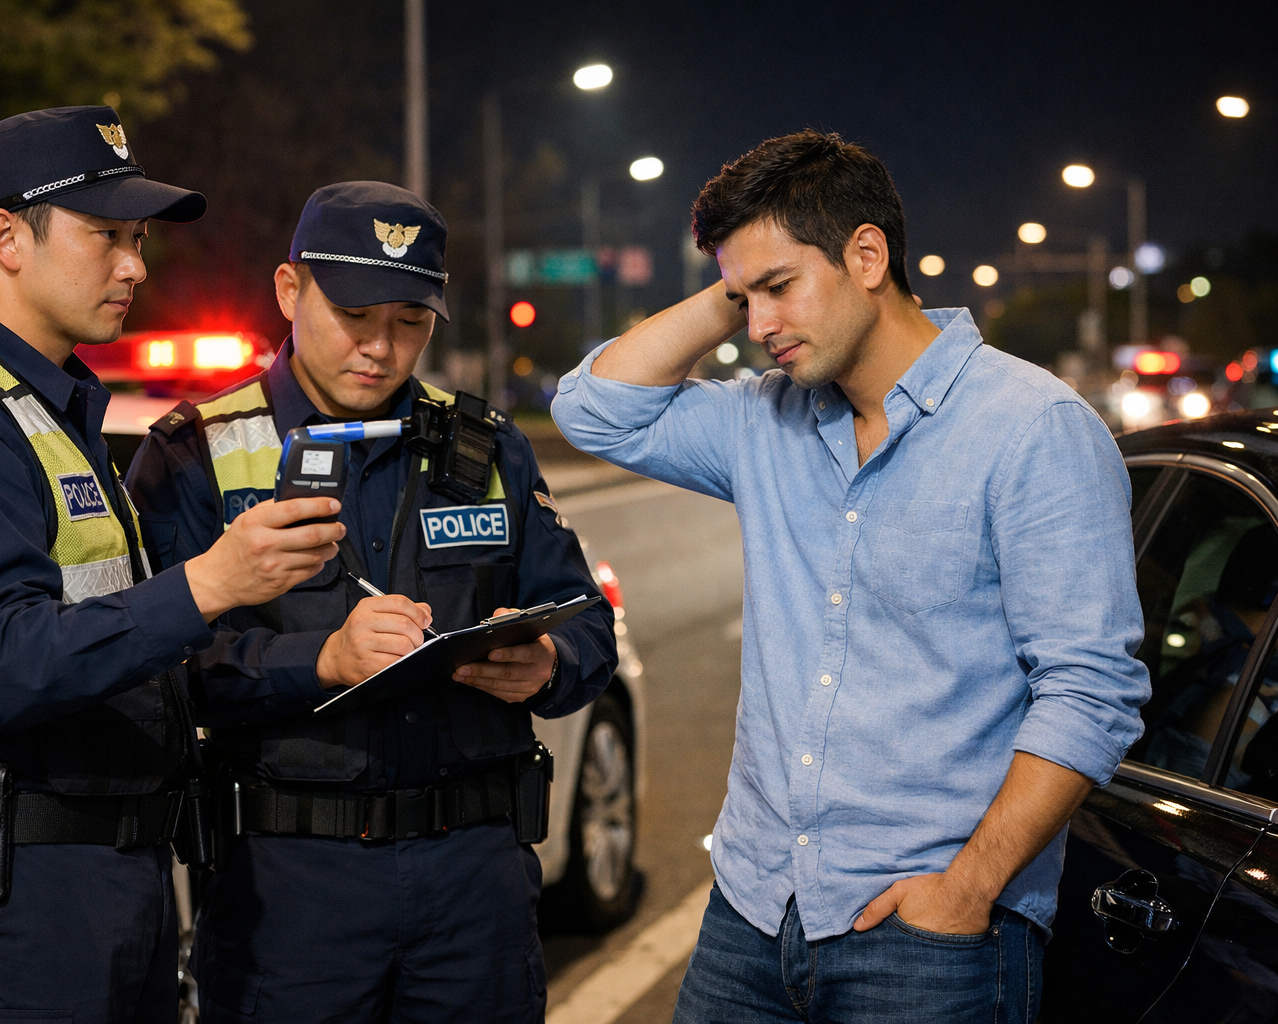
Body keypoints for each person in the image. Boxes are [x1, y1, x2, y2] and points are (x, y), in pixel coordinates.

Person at [551, 130, 1151, 1023]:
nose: (756, 328)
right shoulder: (765, 421)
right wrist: (743, 284)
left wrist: (965, 890)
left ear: (867, 255)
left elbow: (1092, 689)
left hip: (931, 937)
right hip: (753, 907)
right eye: (740, 297)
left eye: (779, 288)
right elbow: (591, 409)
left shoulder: (1034, 429)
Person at [0, 106, 345, 1023]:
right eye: (105, 234)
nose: (135, 264)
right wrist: (211, 584)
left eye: (138, 237)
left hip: (97, 888)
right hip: (8, 915)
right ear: (5, 237)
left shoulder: (49, 410)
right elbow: (2, 666)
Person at [126, 180, 619, 1023]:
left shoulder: (488, 446)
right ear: (290, 292)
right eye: (356, 317)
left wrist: (548, 663)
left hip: (475, 882)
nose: (381, 349)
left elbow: (585, 622)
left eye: (409, 322)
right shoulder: (195, 455)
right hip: (288, 891)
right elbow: (152, 673)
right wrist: (319, 660)